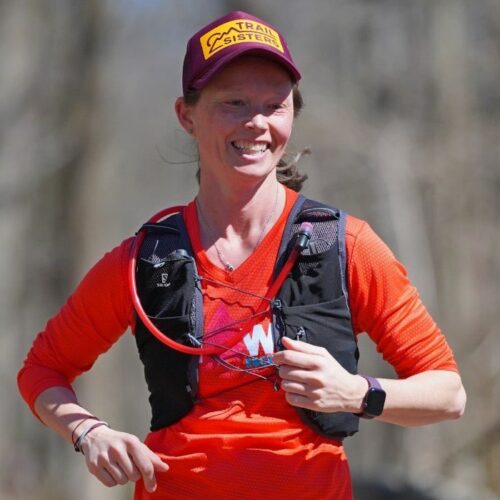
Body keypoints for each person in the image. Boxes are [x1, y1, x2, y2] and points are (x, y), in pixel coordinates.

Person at [17, 10, 466, 500]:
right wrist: (89, 433)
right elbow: (42, 370)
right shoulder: (144, 262)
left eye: (275, 105)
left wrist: (356, 392)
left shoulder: (345, 246)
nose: (256, 123)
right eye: (233, 103)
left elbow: (447, 394)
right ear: (186, 115)